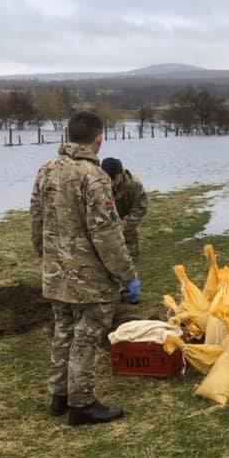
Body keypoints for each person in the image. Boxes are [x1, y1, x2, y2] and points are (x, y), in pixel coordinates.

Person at [30, 111, 141, 426]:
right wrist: (127, 275)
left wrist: (47, 259)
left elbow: (36, 220)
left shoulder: (46, 170)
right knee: (87, 336)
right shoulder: (94, 177)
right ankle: (82, 404)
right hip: (88, 277)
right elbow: (106, 233)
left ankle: (59, 396)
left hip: (56, 273)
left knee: (63, 330)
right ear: (98, 139)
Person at [100, 157, 148, 265]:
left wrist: (121, 226)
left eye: (114, 179)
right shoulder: (99, 184)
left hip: (128, 230)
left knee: (130, 262)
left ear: (120, 174)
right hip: (107, 232)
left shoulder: (134, 185)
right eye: (108, 180)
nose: (111, 183)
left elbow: (140, 210)